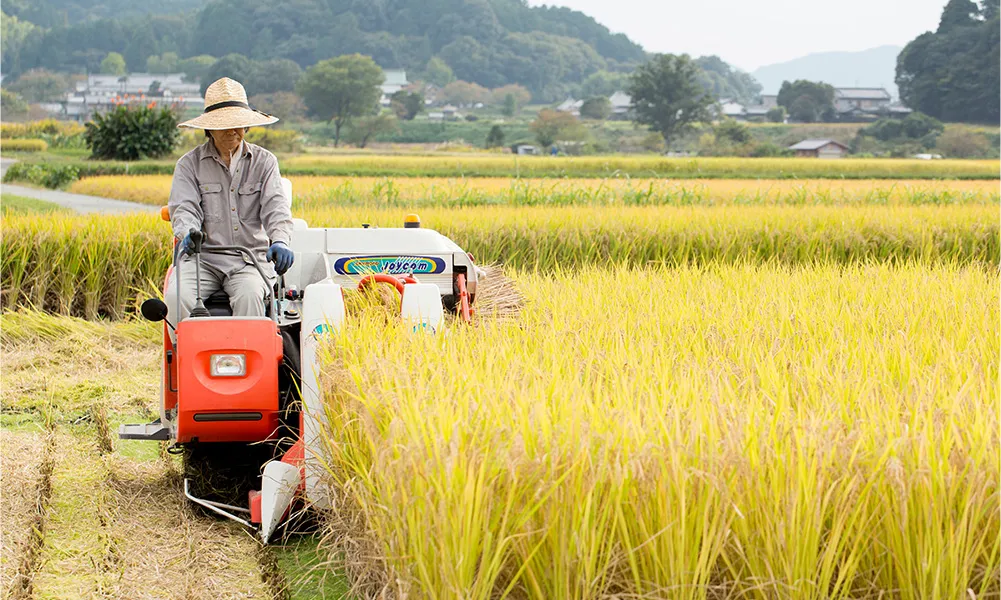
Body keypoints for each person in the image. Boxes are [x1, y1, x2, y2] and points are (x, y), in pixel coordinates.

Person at [165, 77, 294, 328]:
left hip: (249, 260)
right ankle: (185, 360)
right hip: (203, 259)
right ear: (209, 129)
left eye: (239, 124)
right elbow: (185, 208)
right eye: (224, 125)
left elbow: (276, 208)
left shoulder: (264, 162)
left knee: (250, 298)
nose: (233, 131)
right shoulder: (189, 164)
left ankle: (248, 364)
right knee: (176, 298)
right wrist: (188, 233)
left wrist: (280, 240)